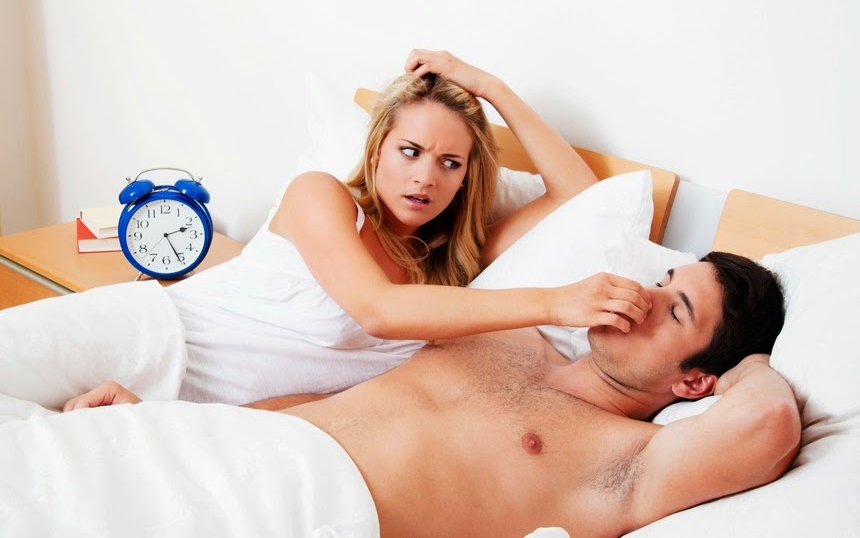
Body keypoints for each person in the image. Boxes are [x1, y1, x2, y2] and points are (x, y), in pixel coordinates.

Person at [64, 249, 798, 537]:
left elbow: (765, 422)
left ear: (696, 379)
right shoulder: (510, 334)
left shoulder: (629, 460)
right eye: (663, 278)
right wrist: (170, 423)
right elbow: (339, 407)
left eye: (676, 309)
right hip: (224, 456)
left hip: (299, 516)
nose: (644, 295)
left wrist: (748, 363)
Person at [161, 49, 653, 404]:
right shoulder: (320, 195)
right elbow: (379, 311)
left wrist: (491, 88)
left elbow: (580, 198)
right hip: (162, 344)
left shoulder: (454, 271)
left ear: (465, 178)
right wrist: (554, 302)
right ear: (377, 151)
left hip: (207, 421)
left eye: (450, 162)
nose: (425, 177)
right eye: (410, 152)